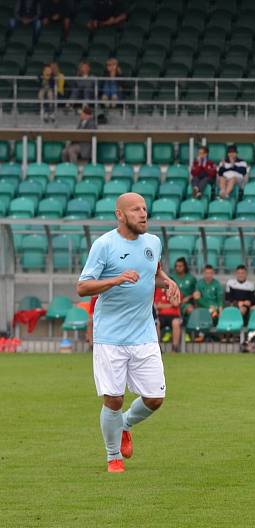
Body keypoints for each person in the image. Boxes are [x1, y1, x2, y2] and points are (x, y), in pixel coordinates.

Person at [76, 192, 180, 473]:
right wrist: (117, 279)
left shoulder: (153, 243)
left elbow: (154, 273)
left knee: (155, 399)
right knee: (114, 398)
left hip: (144, 334)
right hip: (110, 336)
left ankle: (124, 424)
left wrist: (168, 282)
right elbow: (83, 287)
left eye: (145, 209)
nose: (143, 214)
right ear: (120, 215)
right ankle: (113, 457)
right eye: (135, 210)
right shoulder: (104, 245)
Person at [192, 264, 223, 341]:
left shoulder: (217, 284)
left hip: (214, 308)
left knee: (213, 313)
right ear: (204, 273)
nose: (208, 275)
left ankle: (202, 335)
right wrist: (208, 306)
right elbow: (196, 297)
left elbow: (220, 300)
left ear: (213, 274)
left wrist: (221, 312)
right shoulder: (199, 284)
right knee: (207, 312)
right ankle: (215, 336)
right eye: (206, 273)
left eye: (210, 273)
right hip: (203, 308)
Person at [154, 286, 181, 353]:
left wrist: (169, 295)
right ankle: (158, 348)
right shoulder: (158, 291)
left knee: (176, 323)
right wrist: (170, 306)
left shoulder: (175, 291)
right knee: (156, 323)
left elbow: (175, 304)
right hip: (161, 316)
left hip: (174, 316)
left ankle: (175, 348)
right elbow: (157, 305)